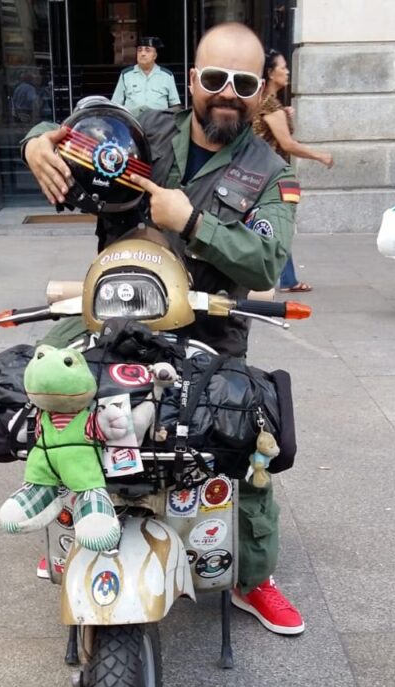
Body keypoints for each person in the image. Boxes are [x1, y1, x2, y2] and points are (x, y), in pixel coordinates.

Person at [21, 22, 305, 635]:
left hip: (210, 325)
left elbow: (268, 261)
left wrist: (193, 221)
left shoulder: (270, 173)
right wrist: (37, 143)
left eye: (244, 82)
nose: (227, 93)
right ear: (192, 80)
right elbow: (78, 131)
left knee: (244, 431)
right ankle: (70, 506)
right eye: (214, 79)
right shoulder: (148, 128)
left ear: (260, 93)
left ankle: (253, 577)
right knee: (41, 384)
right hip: (117, 309)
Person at [253, 49, 333, 293]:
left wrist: (287, 116)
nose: (287, 71)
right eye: (283, 67)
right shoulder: (271, 106)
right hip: (272, 175)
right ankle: (282, 278)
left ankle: (287, 278)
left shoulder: (261, 101)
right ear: (270, 72)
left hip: (257, 172)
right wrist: (320, 155)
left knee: (273, 222)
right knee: (280, 222)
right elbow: (287, 144)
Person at [111, 36, 181, 114]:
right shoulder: (126, 75)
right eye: (139, 51)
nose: (142, 54)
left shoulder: (167, 76)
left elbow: (176, 107)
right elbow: (115, 105)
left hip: (158, 123)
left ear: (155, 56)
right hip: (133, 122)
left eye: (147, 50)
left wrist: (163, 115)